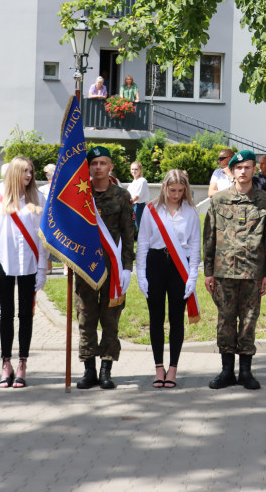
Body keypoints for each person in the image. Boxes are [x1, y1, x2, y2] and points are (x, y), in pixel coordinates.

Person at [203, 150, 266, 390]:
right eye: (239, 167)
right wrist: (209, 272)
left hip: (252, 273)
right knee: (225, 321)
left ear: (254, 170)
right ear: (232, 171)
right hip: (224, 273)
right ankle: (226, 371)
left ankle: (245, 371)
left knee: (248, 322)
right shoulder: (218, 200)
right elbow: (209, 238)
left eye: (247, 167)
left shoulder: (265, 201)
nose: (243, 171)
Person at [0, 157, 48, 388]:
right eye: (24, 172)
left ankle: (22, 363)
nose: (29, 176)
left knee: (25, 315)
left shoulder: (39, 198)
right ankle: (6, 363)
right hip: (4, 263)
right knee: (6, 314)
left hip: (29, 263)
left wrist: (42, 267)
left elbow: (43, 237)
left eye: (31, 171)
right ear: (13, 173)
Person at [75, 146, 135, 390]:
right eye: (94, 163)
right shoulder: (79, 194)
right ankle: (89, 370)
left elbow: (129, 235)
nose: (98, 167)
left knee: (110, 319)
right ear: (88, 167)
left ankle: (106, 369)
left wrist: (127, 268)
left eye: (103, 163)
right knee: (86, 317)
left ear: (111, 167)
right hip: (85, 268)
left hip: (113, 268)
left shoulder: (122, 196)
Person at [136, 169, 201, 388]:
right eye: (172, 190)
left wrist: (193, 275)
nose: (176, 195)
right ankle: (158, 367)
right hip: (155, 263)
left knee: (176, 318)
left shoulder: (190, 211)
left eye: (181, 191)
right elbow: (143, 242)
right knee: (156, 318)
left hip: (179, 266)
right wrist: (141, 273)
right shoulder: (151, 209)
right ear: (164, 187)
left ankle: (173, 368)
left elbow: (194, 245)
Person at [127, 161, 151, 231]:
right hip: (133, 206)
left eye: (136, 169)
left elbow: (137, 196)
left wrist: (127, 203)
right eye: (132, 169)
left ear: (140, 170)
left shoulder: (142, 181)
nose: (134, 171)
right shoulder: (133, 182)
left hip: (139, 207)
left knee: (141, 228)